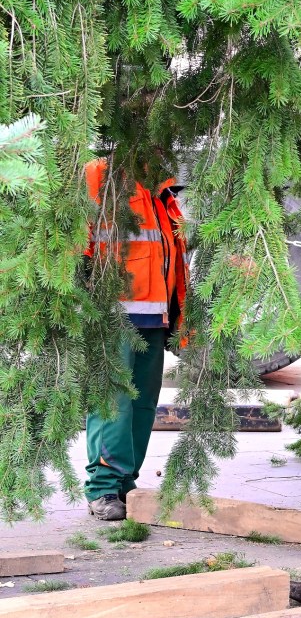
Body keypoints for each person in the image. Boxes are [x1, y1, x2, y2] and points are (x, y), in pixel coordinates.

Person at [82, 158, 188, 521]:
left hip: (155, 316)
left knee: (142, 406)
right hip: (113, 315)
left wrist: (178, 315)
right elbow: (78, 242)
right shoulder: (100, 174)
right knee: (113, 404)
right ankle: (102, 487)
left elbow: (171, 257)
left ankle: (125, 483)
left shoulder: (161, 187)